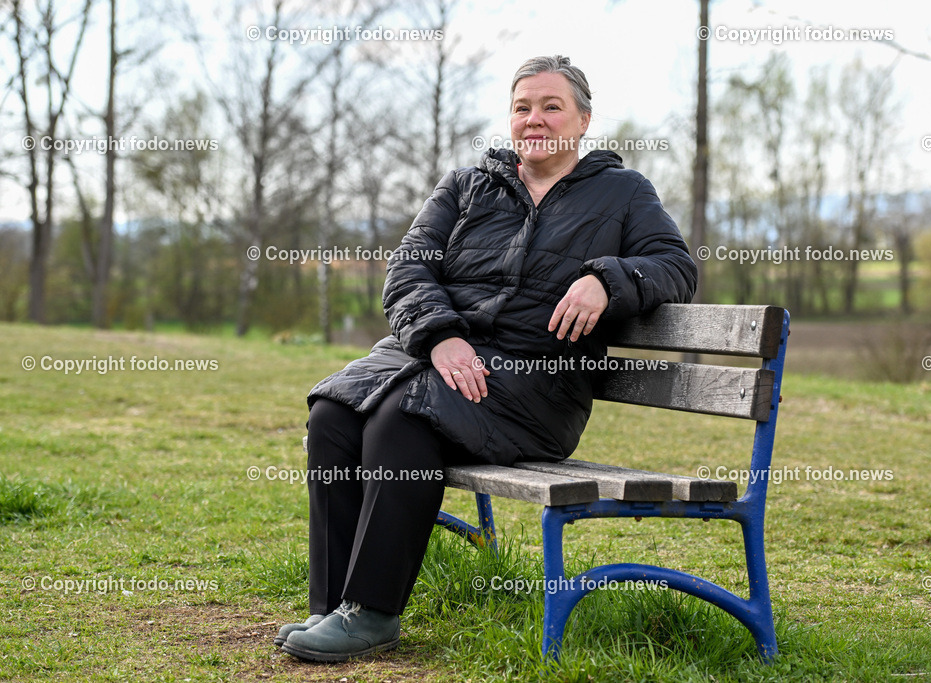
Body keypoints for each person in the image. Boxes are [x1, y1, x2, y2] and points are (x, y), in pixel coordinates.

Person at [276, 55, 697, 663]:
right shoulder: (468, 186)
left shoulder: (624, 193)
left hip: (537, 387)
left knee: (403, 419)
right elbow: (408, 266)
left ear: (582, 121)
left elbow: (677, 268)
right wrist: (441, 335)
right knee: (334, 417)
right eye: (523, 107)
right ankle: (333, 603)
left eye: (552, 106)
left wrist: (608, 278)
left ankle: (371, 614)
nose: (535, 119)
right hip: (440, 360)